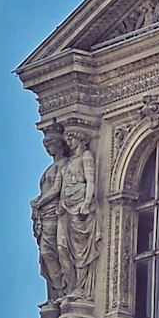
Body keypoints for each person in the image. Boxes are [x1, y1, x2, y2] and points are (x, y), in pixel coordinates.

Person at [57, 126, 101, 301]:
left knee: (81, 251)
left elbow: (91, 182)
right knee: (62, 247)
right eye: (67, 138)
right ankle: (70, 286)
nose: (68, 142)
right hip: (65, 207)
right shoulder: (68, 162)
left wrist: (87, 202)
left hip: (80, 208)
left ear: (81, 139)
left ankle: (81, 289)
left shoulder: (87, 157)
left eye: (71, 138)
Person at [30, 123, 67, 305]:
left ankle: (62, 290)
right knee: (46, 254)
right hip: (44, 214)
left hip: (52, 212)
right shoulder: (50, 169)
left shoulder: (64, 165)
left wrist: (40, 201)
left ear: (58, 144)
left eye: (49, 144)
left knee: (51, 251)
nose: (47, 148)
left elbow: (57, 189)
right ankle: (57, 294)